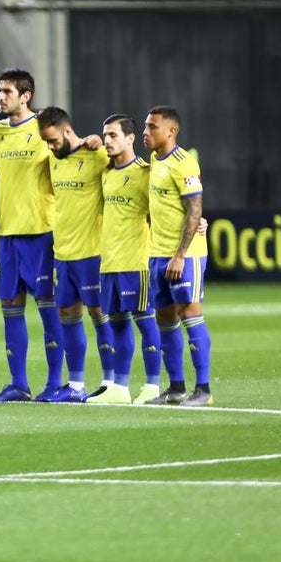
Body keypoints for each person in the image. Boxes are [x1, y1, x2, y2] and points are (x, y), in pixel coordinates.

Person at [0, 69, 64, 403]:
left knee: (49, 309)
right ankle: (18, 384)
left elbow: (74, 152)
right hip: (8, 235)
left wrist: (91, 142)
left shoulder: (44, 128)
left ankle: (55, 383)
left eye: (7, 91)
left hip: (40, 233)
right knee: (10, 306)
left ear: (25, 95)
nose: (1, 97)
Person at [34, 107, 115, 404]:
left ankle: (110, 383)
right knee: (68, 315)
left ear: (68, 131)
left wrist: (98, 141)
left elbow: (128, 170)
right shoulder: (53, 163)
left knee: (99, 313)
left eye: (54, 140)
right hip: (62, 253)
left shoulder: (98, 156)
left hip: (92, 252)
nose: (50, 147)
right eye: (46, 142)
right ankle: (76, 384)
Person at [83, 112, 164, 405]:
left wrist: (198, 224)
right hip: (109, 263)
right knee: (117, 323)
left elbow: (165, 209)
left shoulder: (145, 173)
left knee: (145, 322)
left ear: (130, 138)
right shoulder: (106, 173)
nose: (107, 141)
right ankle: (119, 387)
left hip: (137, 262)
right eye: (105, 135)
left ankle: (153, 386)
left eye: (113, 135)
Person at [143, 106, 212, 406]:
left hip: (185, 256)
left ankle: (204, 390)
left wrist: (180, 255)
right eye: (146, 127)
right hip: (157, 253)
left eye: (152, 127)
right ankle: (176, 388)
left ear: (171, 131)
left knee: (190, 314)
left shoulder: (185, 164)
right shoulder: (155, 159)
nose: (146, 133)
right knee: (165, 319)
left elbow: (195, 211)